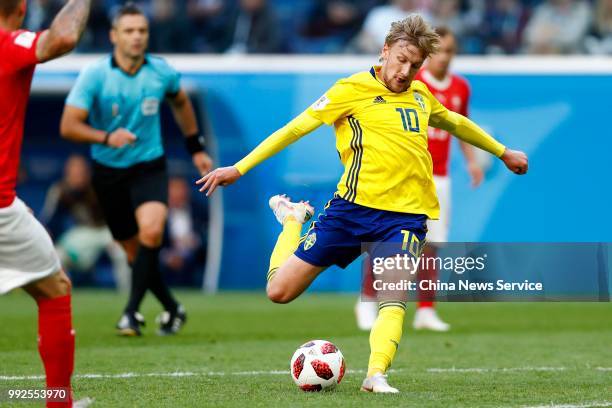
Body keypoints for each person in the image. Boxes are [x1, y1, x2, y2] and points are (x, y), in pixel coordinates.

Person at [198, 14, 528, 393]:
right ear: (385, 50)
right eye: (401, 59)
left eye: (415, 65)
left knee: (393, 295)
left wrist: (502, 152)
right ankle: (292, 220)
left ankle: (376, 375)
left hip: (404, 216)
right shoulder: (349, 90)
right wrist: (239, 169)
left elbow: (455, 122)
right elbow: (294, 128)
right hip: (349, 212)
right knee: (279, 292)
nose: (406, 71)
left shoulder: (421, 96)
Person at [60, 2, 213, 336]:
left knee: (152, 231)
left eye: (142, 30)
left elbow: (181, 101)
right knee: (134, 251)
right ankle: (173, 308)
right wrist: (105, 136)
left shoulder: (160, 71)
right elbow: (68, 125)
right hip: (108, 172)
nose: (137, 37)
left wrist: (196, 148)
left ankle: (130, 313)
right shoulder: (95, 75)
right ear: (114, 35)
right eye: (129, 31)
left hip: (149, 166)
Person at [355, 26, 482, 332]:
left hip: (439, 177)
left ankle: (426, 309)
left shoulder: (460, 88)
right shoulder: (412, 82)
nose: (444, 57)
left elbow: (459, 125)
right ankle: (368, 300)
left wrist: (471, 160)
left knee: (432, 245)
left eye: (450, 51)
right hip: (404, 175)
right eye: (438, 51)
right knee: (387, 242)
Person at [0, 0, 92, 406]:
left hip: (8, 205)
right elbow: (64, 37)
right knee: (54, 290)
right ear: (21, 8)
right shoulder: (8, 43)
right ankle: (59, 401)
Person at [40, 154, 130, 291]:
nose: (77, 175)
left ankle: (127, 293)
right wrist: (49, 240)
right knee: (58, 255)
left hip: (107, 230)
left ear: (87, 172)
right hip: (83, 232)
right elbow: (50, 221)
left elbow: (118, 211)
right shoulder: (60, 190)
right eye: (74, 171)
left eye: (81, 171)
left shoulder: (100, 184)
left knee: (122, 251)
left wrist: (119, 233)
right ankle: (60, 296)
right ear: (67, 173)